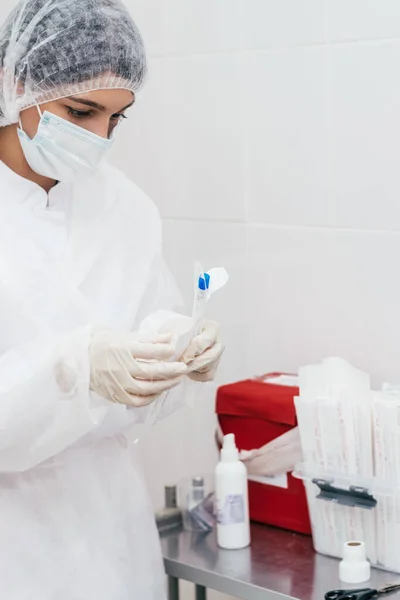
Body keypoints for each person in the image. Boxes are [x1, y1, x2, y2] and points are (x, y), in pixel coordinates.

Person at [0, 0, 223, 598]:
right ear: (16, 81)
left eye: (117, 119)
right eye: (81, 110)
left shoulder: (124, 206)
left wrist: (177, 345)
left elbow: (145, 326)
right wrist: (73, 372)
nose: (99, 138)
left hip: (112, 533)